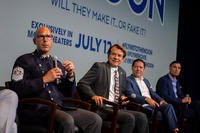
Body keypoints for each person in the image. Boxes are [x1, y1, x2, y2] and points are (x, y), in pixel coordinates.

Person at [10, 26, 102, 133]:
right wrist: (44, 79)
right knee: (67, 121)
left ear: (52, 40)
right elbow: (16, 88)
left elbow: (69, 94)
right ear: (35, 40)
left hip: (60, 107)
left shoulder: (56, 63)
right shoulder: (24, 60)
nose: (45, 40)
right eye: (41, 36)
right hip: (38, 110)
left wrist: (71, 75)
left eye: (48, 37)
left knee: (95, 119)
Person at [77, 44, 149, 133]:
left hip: (116, 108)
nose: (116, 57)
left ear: (122, 59)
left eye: (119, 56)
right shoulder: (99, 67)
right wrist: (93, 96)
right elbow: (82, 83)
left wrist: (122, 97)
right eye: (113, 54)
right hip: (102, 108)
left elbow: (120, 91)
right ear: (108, 55)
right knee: (129, 118)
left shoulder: (122, 72)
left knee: (142, 116)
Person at [124, 59, 179, 133]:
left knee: (168, 106)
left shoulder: (146, 81)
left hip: (153, 104)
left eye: (141, 67)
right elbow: (130, 94)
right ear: (132, 68)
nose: (138, 69)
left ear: (144, 69)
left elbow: (153, 93)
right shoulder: (128, 80)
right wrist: (146, 99)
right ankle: (174, 130)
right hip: (142, 105)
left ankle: (174, 129)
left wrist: (161, 100)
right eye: (136, 67)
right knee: (163, 115)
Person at [156, 60, 200, 133]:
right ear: (170, 68)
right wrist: (181, 101)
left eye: (179, 68)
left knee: (198, 104)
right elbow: (164, 96)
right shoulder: (163, 80)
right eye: (174, 67)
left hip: (180, 106)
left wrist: (187, 99)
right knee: (195, 113)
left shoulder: (176, 81)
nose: (177, 69)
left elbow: (180, 95)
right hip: (173, 107)